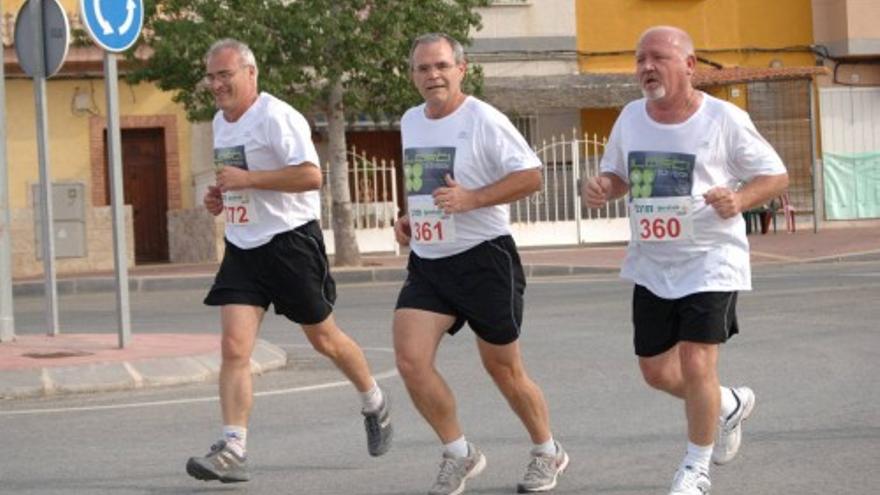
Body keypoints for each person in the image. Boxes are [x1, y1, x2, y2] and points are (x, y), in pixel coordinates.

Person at [582, 26, 789, 495]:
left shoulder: (723, 119)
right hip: (653, 262)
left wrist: (739, 198)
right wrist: (602, 187)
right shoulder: (632, 117)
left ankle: (695, 468)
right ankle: (727, 403)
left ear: (690, 66)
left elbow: (775, 175)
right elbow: (616, 175)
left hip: (710, 258)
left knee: (697, 363)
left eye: (658, 57)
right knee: (656, 371)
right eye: (640, 59)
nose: (647, 67)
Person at [185, 38, 392, 484]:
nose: (218, 84)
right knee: (234, 347)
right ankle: (234, 447)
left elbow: (310, 175)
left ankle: (374, 400)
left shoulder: (277, 116)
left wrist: (250, 179)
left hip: (291, 243)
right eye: (213, 76)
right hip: (243, 247)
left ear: (250, 73)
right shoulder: (221, 122)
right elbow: (239, 181)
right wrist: (221, 196)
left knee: (324, 338)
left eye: (226, 75)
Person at [393, 33, 569, 495]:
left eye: (441, 66)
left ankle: (547, 450)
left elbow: (531, 176)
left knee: (503, 369)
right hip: (430, 261)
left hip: (485, 259)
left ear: (461, 69)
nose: (433, 75)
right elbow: (428, 183)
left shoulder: (483, 119)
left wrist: (473, 199)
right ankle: (458, 454)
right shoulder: (411, 121)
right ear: (413, 75)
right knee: (411, 362)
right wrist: (411, 217)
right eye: (423, 68)